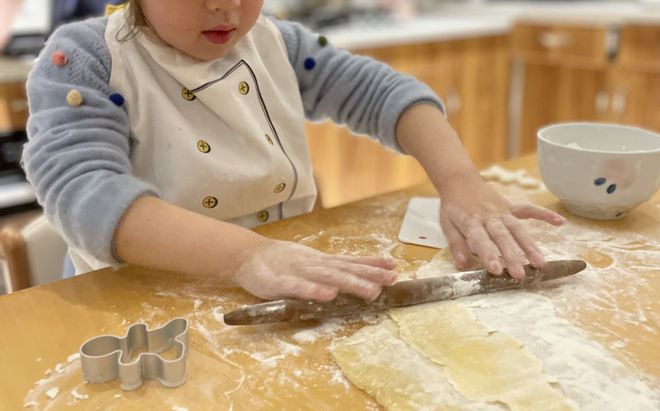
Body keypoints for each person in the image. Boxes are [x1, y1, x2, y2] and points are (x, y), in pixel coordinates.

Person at [22, 0, 565, 303]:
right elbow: (87, 196)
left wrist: (461, 182)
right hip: (136, 308)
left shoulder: (278, 44)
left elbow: (386, 94)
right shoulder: (85, 60)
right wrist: (245, 255)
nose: (226, 8)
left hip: (285, 284)